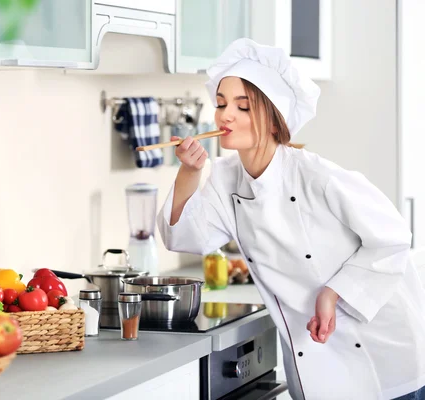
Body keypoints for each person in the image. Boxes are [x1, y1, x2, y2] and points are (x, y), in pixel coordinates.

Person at [157, 38, 425, 400]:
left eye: (243, 106)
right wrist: (189, 172)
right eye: (221, 104)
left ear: (273, 117)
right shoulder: (225, 177)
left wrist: (334, 292)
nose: (225, 115)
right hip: (315, 357)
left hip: (381, 349)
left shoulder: (317, 176)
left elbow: (393, 238)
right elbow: (183, 237)